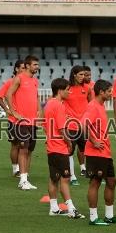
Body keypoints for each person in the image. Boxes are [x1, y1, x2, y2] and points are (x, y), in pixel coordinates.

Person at [81, 80, 116, 226]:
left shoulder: (100, 106)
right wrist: (94, 141)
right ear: (101, 92)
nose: (111, 93)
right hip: (96, 152)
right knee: (95, 182)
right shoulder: (93, 106)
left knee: (112, 181)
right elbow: (83, 125)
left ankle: (109, 215)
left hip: (105, 152)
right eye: (109, 91)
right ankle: (93, 218)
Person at [43, 78, 85, 219]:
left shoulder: (48, 104)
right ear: (60, 90)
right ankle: (71, 209)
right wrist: (69, 143)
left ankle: (54, 208)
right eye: (67, 89)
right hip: (59, 147)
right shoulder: (59, 106)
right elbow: (62, 129)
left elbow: (45, 125)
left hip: (51, 147)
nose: (69, 92)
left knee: (53, 178)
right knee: (65, 179)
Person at [5, 55, 42, 191]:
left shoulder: (34, 81)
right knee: (23, 149)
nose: (37, 67)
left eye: (37, 65)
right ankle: (22, 180)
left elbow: (36, 97)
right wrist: (13, 112)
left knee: (30, 150)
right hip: (21, 122)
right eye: (34, 65)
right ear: (27, 66)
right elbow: (8, 94)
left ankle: (25, 177)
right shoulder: (19, 78)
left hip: (32, 121)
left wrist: (40, 112)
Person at [0, 60, 24, 177]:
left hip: (26, 120)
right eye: (22, 67)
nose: (24, 70)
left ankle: (23, 170)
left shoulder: (28, 82)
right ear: (16, 69)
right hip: (14, 120)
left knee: (25, 146)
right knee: (15, 144)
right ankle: (15, 169)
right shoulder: (10, 82)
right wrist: (7, 110)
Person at [64, 65, 91, 186]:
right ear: (74, 75)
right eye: (80, 74)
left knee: (88, 150)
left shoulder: (87, 88)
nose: (83, 77)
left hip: (84, 126)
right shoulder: (67, 88)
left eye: (84, 75)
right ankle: (72, 176)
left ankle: (92, 173)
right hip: (71, 126)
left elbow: (92, 105)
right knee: (70, 151)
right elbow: (58, 102)